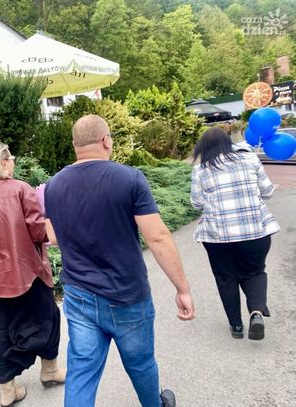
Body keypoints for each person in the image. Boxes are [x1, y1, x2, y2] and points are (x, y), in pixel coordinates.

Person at [44, 114, 195, 407]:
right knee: (140, 364)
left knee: (81, 372)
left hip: (79, 295)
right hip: (127, 295)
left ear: (75, 145)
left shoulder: (54, 185)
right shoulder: (129, 178)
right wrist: (182, 289)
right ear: (106, 141)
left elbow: (53, 237)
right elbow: (157, 238)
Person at [0, 141, 65, 407]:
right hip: (26, 272)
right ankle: (50, 370)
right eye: (12, 159)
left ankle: (8, 390)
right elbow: (38, 232)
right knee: (45, 319)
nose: (14, 164)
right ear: (3, 162)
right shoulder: (21, 189)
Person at [190, 127, 280, 340]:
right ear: (228, 143)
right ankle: (256, 313)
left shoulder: (200, 169)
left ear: (203, 148)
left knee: (226, 278)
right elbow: (267, 191)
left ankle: (236, 326)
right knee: (254, 271)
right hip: (255, 232)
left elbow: (196, 203)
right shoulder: (250, 159)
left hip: (217, 236)